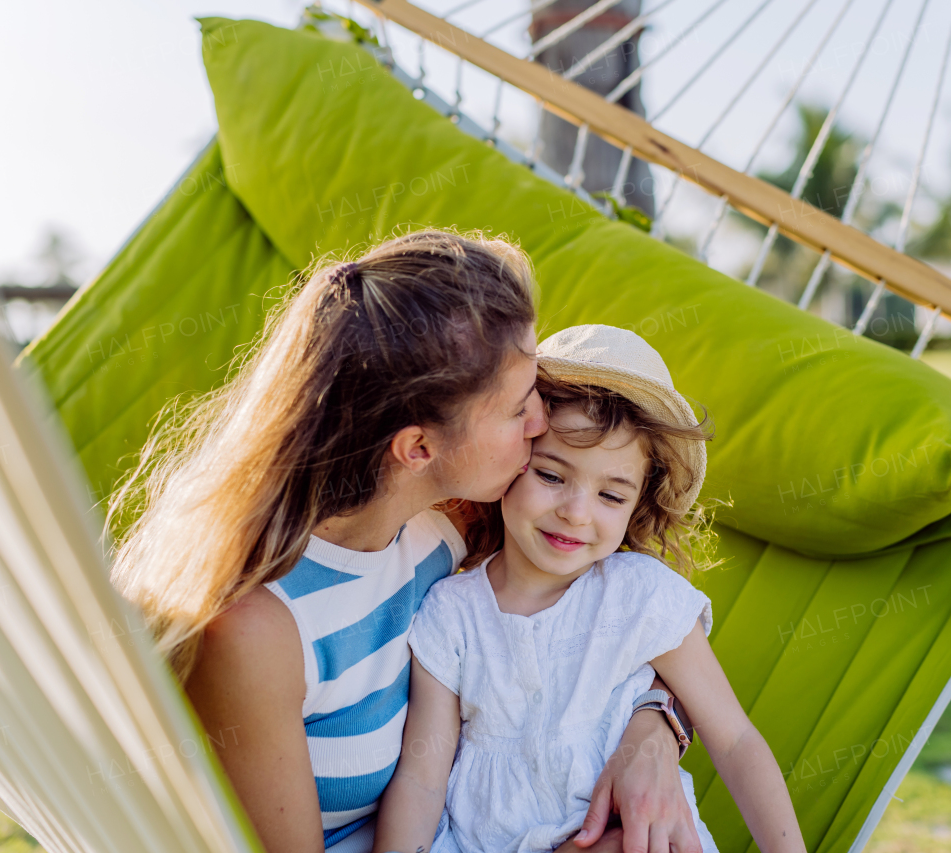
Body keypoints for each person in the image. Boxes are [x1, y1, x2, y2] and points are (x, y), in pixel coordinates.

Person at [107, 232, 704, 853]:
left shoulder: (448, 527)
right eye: (518, 408)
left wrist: (654, 730)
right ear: (418, 448)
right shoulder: (259, 629)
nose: (540, 422)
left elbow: (622, 623)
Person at [373, 325, 807, 853]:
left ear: (636, 506)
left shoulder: (641, 596)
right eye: (551, 476)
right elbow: (422, 777)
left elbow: (735, 740)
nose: (575, 513)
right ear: (514, 458)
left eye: (610, 495)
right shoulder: (451, 612)